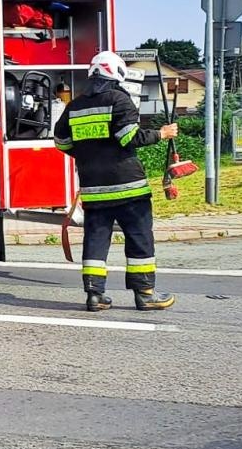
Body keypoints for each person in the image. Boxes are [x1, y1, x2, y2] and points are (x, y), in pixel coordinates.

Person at [53, 51, 180, 312]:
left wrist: (88, 153)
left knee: (96, 239)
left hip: (93, 188)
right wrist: (162, 133)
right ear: (117, 74)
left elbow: (61, 141)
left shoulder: (74, 106)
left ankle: (95, 296)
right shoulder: (120, 100)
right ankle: (145, 293)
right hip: (128, 188)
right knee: (139, 236)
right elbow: (128, 138)